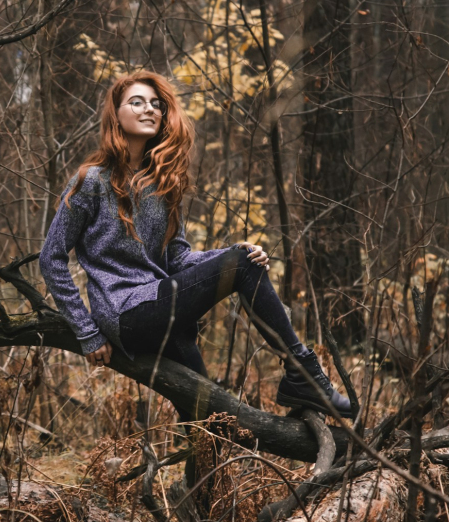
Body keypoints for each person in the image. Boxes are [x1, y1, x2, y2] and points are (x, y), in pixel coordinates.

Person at [39, 71, 351, 420]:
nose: (149, 110)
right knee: (240, 265)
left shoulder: (163, 185)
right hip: (125, 314)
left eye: (156, 105)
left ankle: (206, 475)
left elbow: (178, 258)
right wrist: (87, 332)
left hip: (163, 309)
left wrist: (235, 253)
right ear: (116, 114)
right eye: (137, 102)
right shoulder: (90, 181)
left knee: (206, 418)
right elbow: (51, 259)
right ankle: (303, 373)